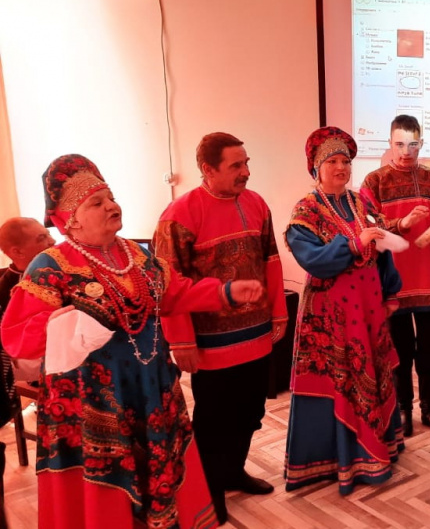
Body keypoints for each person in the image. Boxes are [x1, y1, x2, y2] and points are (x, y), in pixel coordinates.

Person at [1, 154, 264, 528]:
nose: (112, 206)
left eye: (110, 197)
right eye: (97, 202)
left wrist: (224, 292)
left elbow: (174, 294)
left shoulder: (136, 255)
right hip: (91, 405)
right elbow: (16, 338)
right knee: (107, 497)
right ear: (71, 218)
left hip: (151, 389)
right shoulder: (50, 266)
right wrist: (66, 320)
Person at [153, 132, 288, 521]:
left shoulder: (256, 203)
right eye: (236, 165)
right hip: (210, 344)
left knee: (250, 411)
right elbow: (168, 286)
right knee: (214, 421)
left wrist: (279, 313)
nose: (246, 172)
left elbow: (271, 261)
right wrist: (181, 341)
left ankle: (232, 472)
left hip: (257, 334)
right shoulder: (179, 215)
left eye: (246, 163)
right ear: (207, 169)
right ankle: (209, 490)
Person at [283, 126, 405, 494]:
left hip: (368, 309)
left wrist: (391, 291)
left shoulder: (363, 203)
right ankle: (334, 459)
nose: (341, 167)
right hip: (330, 316)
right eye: (332, 161)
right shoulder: (306, 210)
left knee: (373, 373)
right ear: (316, 168)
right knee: (337, 380)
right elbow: (313, 261)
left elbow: (382, 249)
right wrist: (353, 243)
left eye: (346, 161)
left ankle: (376, 449)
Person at [359, 115, 430, 437]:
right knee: (399, 352)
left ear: (421, 144)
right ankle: (403, 410)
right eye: (400, 144)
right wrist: (401, 224)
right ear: (389, 143)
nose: (406, 151)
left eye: (413, 144)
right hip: (392, 284)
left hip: (429, 281)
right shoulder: (374, 181)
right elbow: (366, 226)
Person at [0, 217, 55, 506]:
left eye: (48, 235)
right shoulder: (5, 289)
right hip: (33, 366)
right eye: (41, 238)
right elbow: (14, 349)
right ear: (16, 252)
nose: (52, 241)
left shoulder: (58, 270)